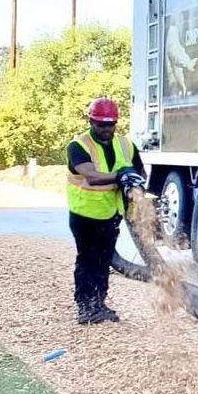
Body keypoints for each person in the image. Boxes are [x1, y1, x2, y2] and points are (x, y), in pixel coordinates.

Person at [66, 97, 145, 325]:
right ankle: (84, 306)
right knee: (87, 260)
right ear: (91, 121)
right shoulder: (79, 146)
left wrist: (136, 184)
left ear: (116, 123)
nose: (106, 129)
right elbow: (90, 175)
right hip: (84, 216)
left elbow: (139, 172)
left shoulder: (126, 145)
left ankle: (99, 304)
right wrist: (121, 176)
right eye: (101, 124)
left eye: (110, 125)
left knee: (103, 261)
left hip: (111, 215)